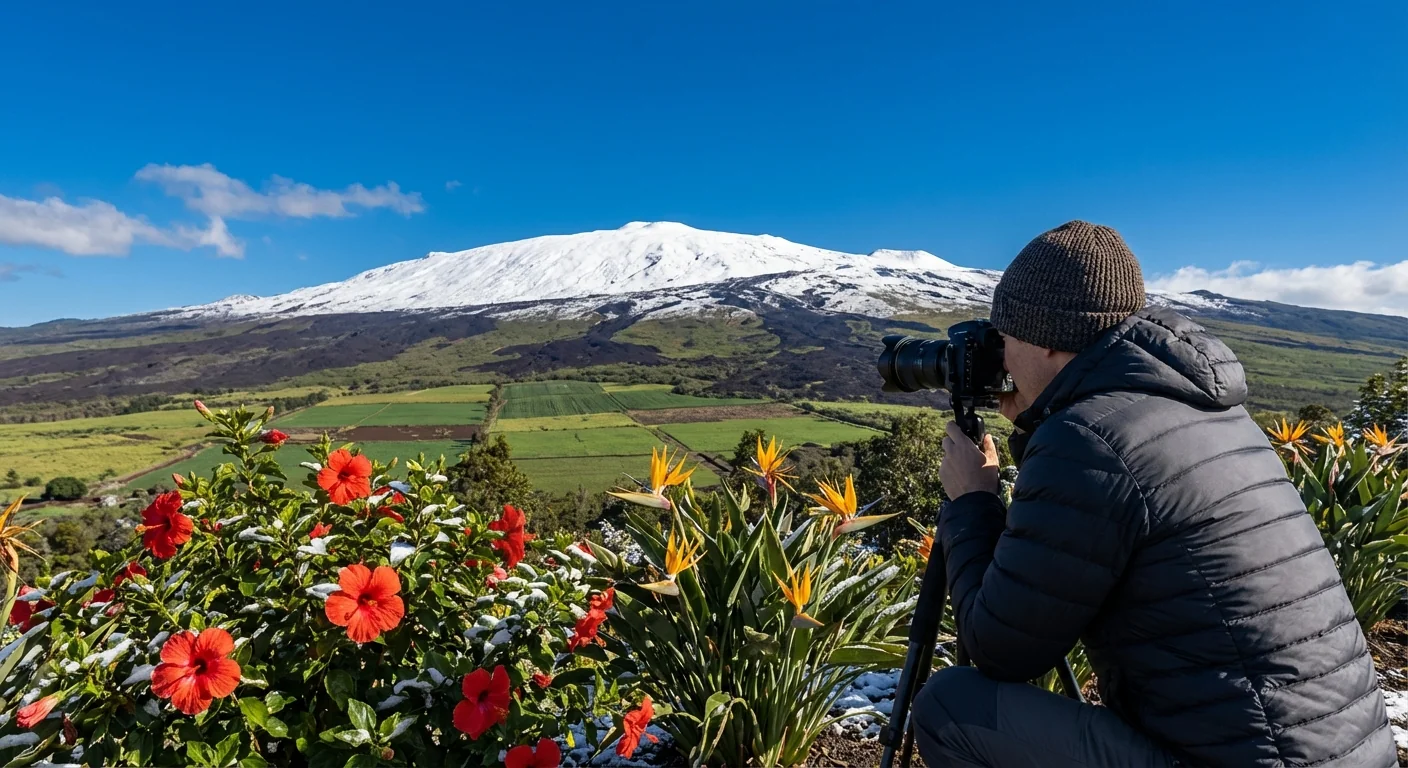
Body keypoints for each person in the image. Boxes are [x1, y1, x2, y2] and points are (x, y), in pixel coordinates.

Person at [913, 221, 1395, 767]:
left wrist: (973, 500)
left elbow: (1000, 649)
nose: (998, 356)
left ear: (1045, 338)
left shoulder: (1088, 440)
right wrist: (1039, 423)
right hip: (1343, 752)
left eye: (1006, 337)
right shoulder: (1211, 410)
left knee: (952, 709)